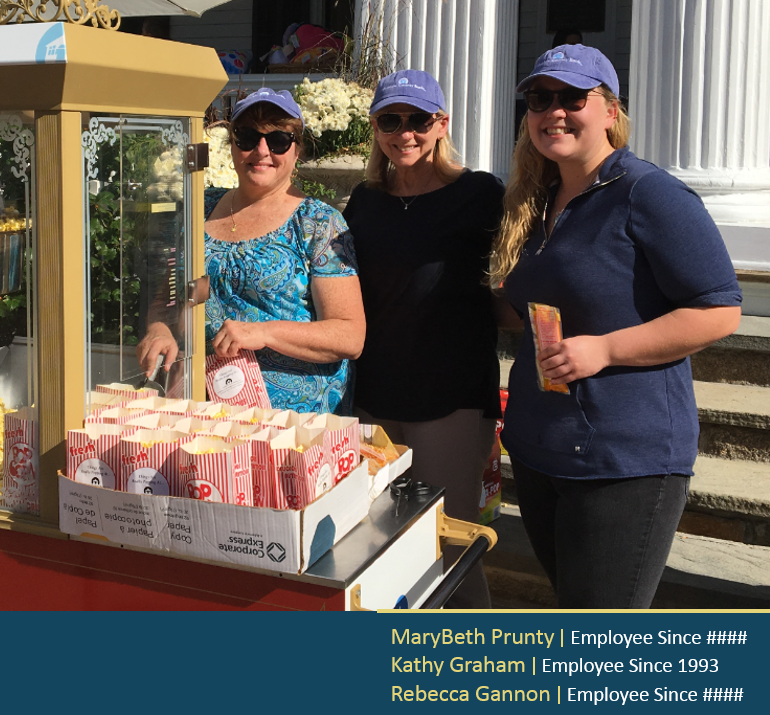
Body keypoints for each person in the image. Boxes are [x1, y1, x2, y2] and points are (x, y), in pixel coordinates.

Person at [489, 44, 742, 608]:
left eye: (572, 97)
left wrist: (603, 349)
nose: (553, 110)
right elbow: (528, 307)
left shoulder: (648, 192)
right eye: (539, 98)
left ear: (610, 111)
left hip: (623, 459)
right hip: (539, 449)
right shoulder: (536, 199)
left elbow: (720, 309)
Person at [342, 70, 504, 609]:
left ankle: (479, 672)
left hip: (451, 392)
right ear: (376, 127)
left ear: (442, 124)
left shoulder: (480, 193)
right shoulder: (365, 200)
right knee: (382, 542)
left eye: (418, 120)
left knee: (447, 541)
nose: (405, 132)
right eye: (391, 120)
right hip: (376, 389)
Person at [137, 88, 365, 413]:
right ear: (232, 144)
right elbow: (170, 300)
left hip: (292, 429)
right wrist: (159, 330)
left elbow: (349, 335)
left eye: (278, 140)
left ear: (297, 149)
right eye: (247, 136)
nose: (261, 151)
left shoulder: (318, 223)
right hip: (204, 413)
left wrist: (263, 332)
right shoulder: (200, 209)